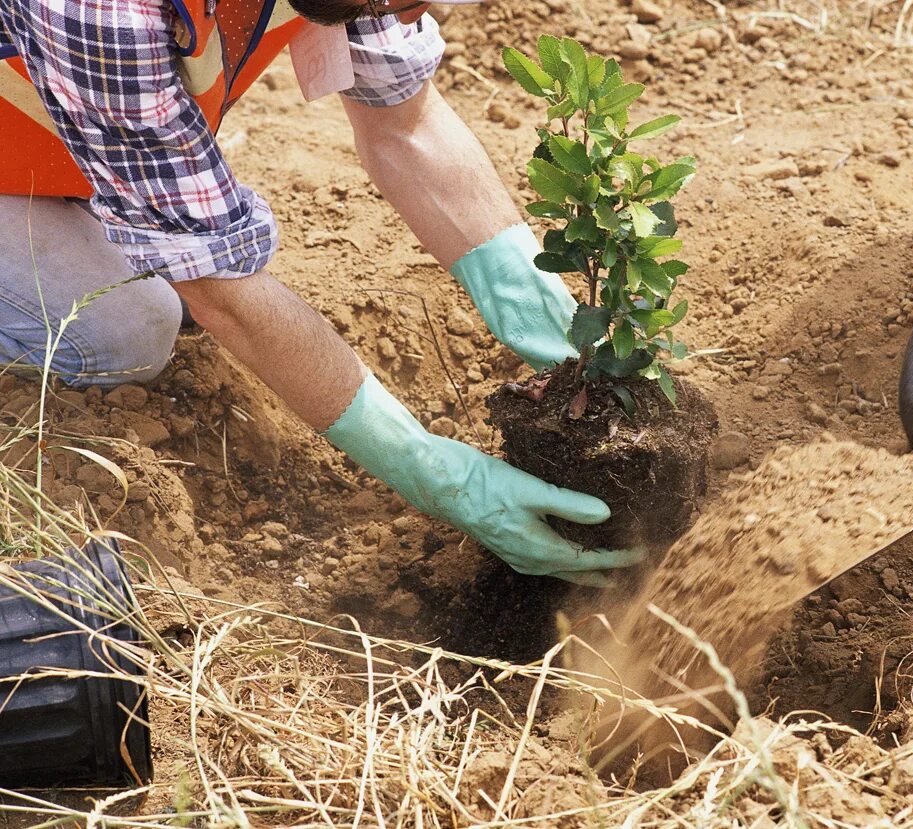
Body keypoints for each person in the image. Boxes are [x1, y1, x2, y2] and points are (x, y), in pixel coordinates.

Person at [0, 0, 641, 586]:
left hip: (58, 151)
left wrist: (532, 303)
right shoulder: (99, 10)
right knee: (122, 330)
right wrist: (429, 471)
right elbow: (220, 289)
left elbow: (404, 124)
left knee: (173, 257)